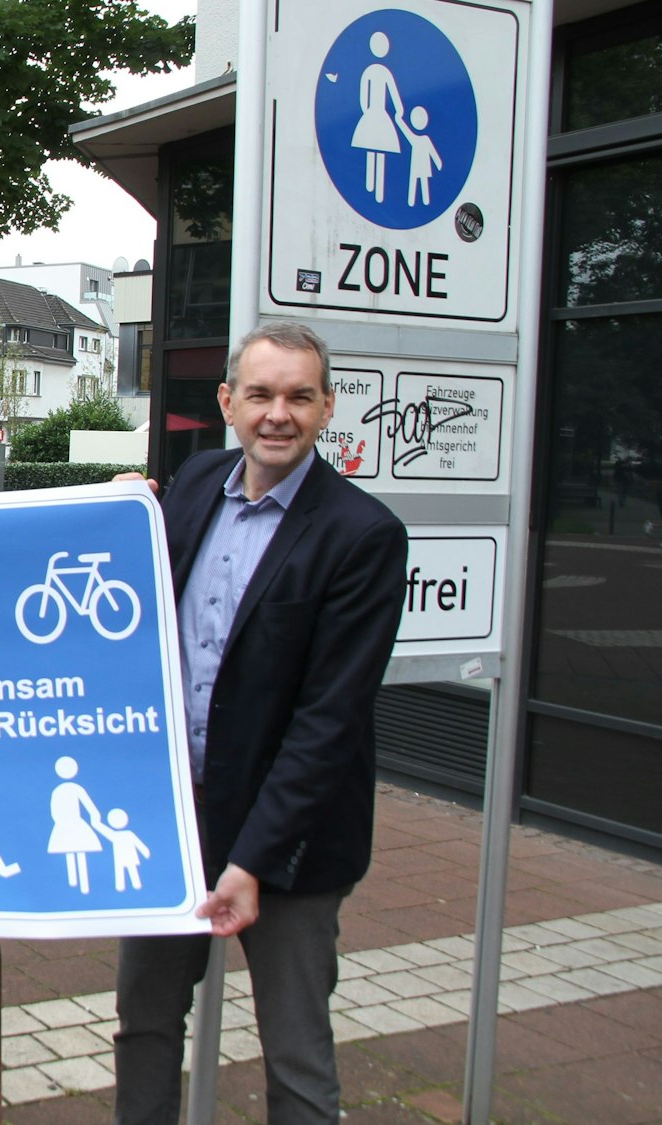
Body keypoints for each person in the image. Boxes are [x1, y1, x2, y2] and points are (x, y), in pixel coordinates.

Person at [112, 321, 408, 1125]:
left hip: (292, 842)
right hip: (176, 824)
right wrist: (114, 515)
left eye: (299, 397)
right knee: (143, 1023)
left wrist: (253, 858)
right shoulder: (197, 482)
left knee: (296, 1050)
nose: (279, 413)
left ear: (326, 407)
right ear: (228, 402)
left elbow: (329, 720)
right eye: (261, 394)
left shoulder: (363, 534)